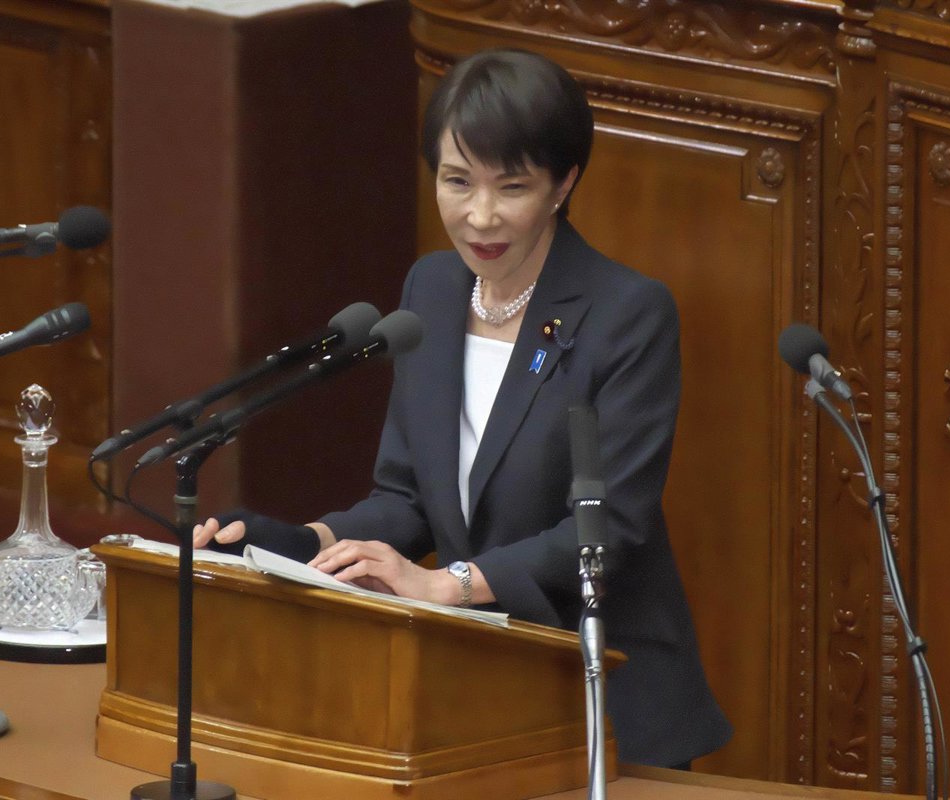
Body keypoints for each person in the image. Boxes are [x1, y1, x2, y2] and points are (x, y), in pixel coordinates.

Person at [193, 47, 731, 768]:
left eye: (512, 187)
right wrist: (303, 546)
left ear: (564, 182)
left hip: (603, 685)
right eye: (456, 181)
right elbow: (408, 498)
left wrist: (447, 584)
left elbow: (610, 528)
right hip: (476, 684)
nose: (480, 216)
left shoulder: (627, 313)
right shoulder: (433, 290)